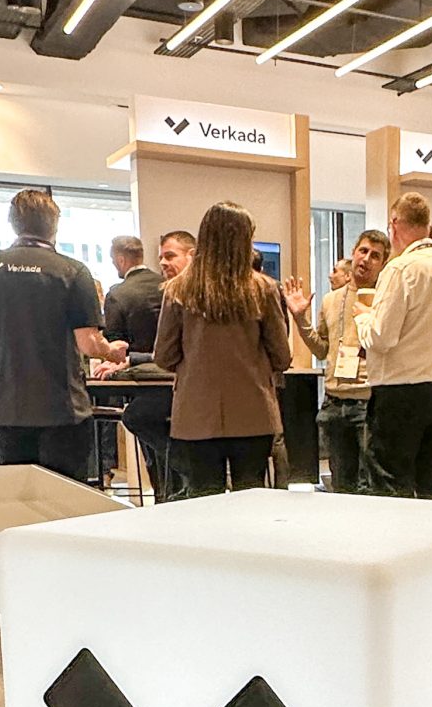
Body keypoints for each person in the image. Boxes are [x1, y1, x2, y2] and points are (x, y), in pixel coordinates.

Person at [0, 187, 125, 481]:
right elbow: (88, 343)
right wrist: (111, 351)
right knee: (66, 495)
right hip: (63, 410)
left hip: (10, 409)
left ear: (13, 223)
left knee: (19, 494)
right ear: (54, 225)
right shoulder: (73, 271)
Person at [153, 201, 291, 499]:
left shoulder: (178, 290)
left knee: (203, 500)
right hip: (254, 412)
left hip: (195, 414)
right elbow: (282, 356)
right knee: (252, 500)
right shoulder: (264, 289)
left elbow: (164, 356)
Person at [358, 193, 432, 499]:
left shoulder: (400, 269)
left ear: (394, 224)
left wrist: (362, 319)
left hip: (398, 392)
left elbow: (382, 337)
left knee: (390, 485)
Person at [283, 229, 391, 493]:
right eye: (363, 251)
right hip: (334, 402)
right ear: (353, 253)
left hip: (368, 402)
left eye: (375, 256)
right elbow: (321, 350)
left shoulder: (385, 299)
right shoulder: (331, 300)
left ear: (383, 264)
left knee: (369, 487)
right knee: (341, 486)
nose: (366, 259)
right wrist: (300, 319)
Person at [101, 234, 172, 499]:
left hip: (141, 382)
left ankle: (162, 493)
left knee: (144, 432)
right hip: (176, 380)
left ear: (121, 259)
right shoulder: (168, 286)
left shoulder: (118, 294)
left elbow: (115, 346)